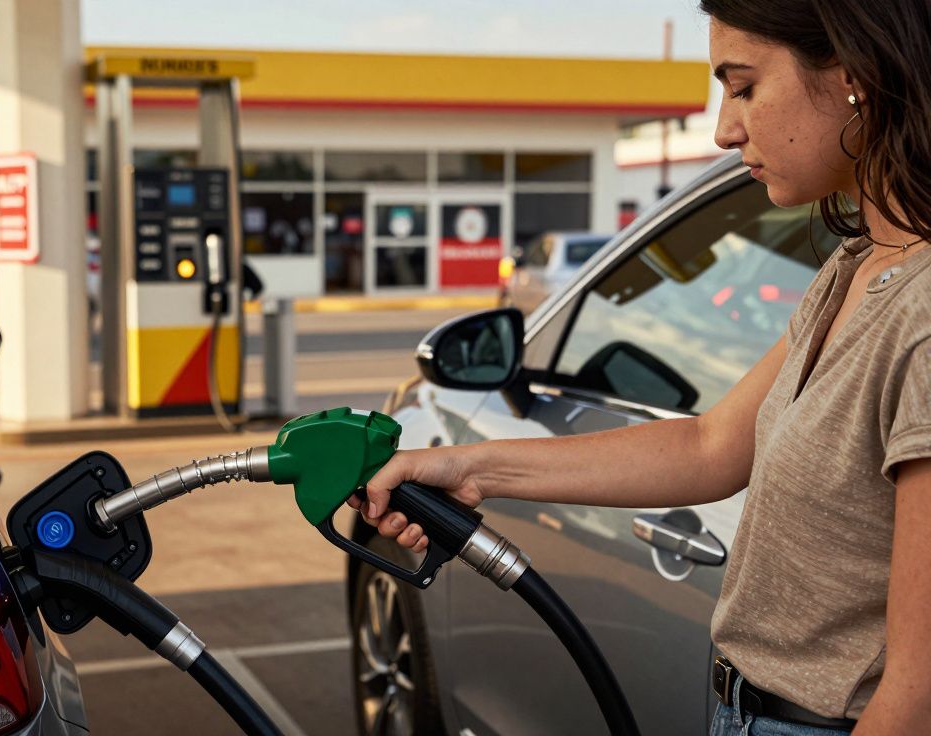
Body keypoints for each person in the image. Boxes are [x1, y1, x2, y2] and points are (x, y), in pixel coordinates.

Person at [349, 1, 931, 733]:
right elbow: (710, 447)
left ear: (855, 77)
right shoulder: (856, 268)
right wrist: (471, 469)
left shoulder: (923, 310)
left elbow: (917, 699)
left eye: (744, 85)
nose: (725, 128)